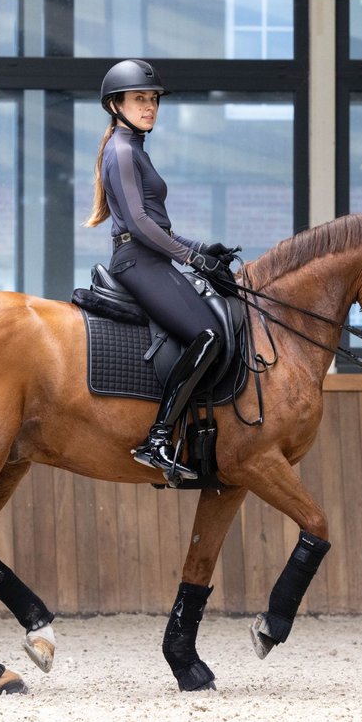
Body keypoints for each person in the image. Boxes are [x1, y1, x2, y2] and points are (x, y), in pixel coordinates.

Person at [84, 58, 237, 482]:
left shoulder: (132, 148)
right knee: (208, 337)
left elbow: (158, 226)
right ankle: (156, 439)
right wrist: (193, 259)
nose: (149, 106)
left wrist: (206, 250)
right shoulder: (121, 150)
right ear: (115, 104)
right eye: (139, 99)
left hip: (151, 256)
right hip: (138, 261)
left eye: (152, 100)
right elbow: (138, 224)